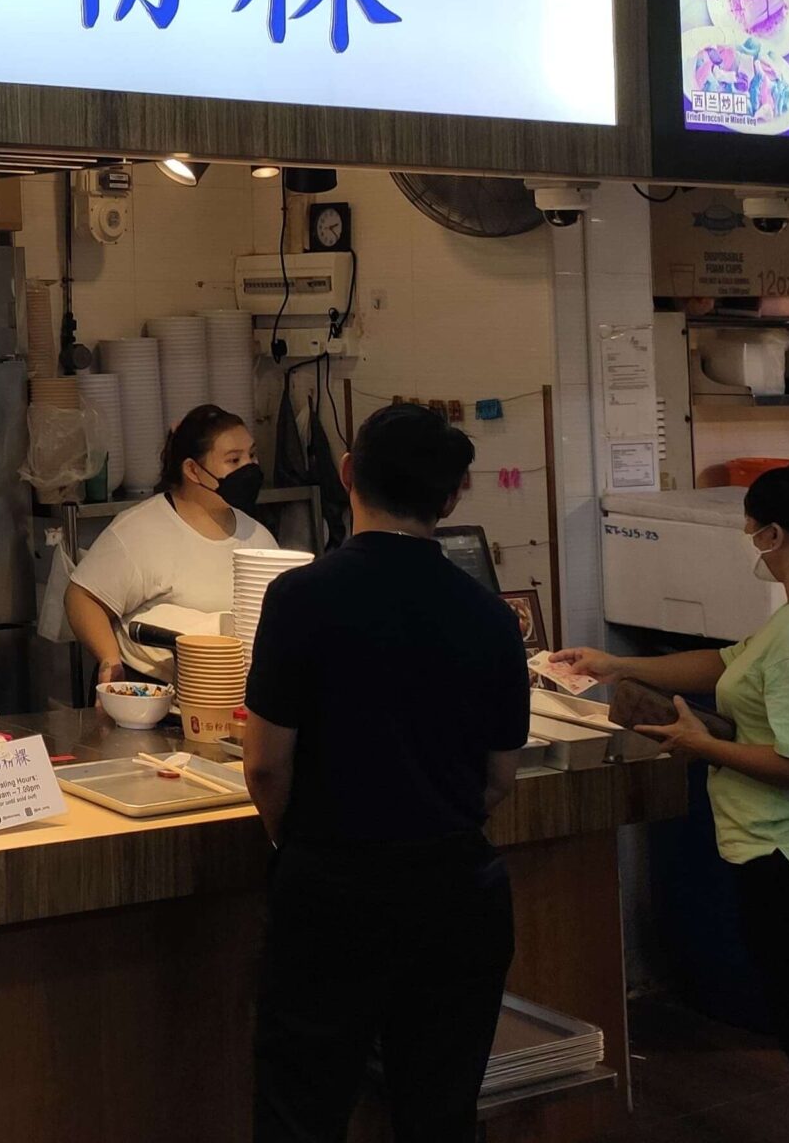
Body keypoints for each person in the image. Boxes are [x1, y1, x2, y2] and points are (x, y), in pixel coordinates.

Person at [553, 464, 789, 1143]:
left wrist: (697, 741)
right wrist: (616, 665)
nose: (749, 542)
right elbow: (726, 662)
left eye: (751, 530)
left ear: (775, 535)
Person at [243, 403, 530, 1143]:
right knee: (439, 1112)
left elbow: (266, 762)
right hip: (457, 893)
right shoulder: (492, 616)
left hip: (334, 888)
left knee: (303, 1110)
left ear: (347, 476)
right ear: (453, 495)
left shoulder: (302, 597)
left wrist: (293, 843)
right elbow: (501, 776)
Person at [66, 403, 277, 682]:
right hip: (152, 690)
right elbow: (82, 598)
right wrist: (109, 660)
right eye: (234, 460)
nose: (249, 468)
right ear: (192, 469)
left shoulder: (259, 538)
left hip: (232, 692)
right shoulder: (141, 531)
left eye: (252, 456)